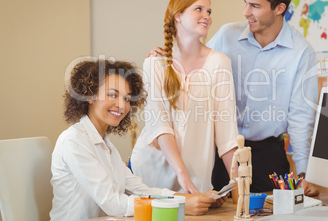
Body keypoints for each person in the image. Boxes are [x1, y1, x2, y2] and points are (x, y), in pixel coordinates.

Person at [149, 0, 319, 196]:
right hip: (218, 153)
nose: (245, 12)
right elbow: (195, 61)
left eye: (255, 6)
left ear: (279, 9)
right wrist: (168, 56)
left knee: (271, 214)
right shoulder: (227, 35)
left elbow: (301, 117)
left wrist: (304, 173)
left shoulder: (301, 52)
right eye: (246, 3)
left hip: (267, 155)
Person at [50, 59, 221, 220]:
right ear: (89, 95)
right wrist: (180, 205)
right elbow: (113, 204)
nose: (122, 105)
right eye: (113, 95)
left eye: (126, 98)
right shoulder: (74, 141)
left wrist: (196, 198)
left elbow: (141, 190)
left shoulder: (106, 146)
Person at [131, 0, 239, 194]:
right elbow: (160, 125)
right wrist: (182, 175)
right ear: (177, 16)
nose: (206, 15)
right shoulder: (155, 63)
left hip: (197, 176)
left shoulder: (219, 62)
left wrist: (239, 188)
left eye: (209, 11)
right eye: (199, 9)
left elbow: (227, 134)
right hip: (152, 171)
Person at [231, 135, 252, 219]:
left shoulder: (237, 152)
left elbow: (232, 168)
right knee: (247, 195)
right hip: (246, 171)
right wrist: (250, 176)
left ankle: (238, 214)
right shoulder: (248, 150)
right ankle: (246, 214)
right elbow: (250, 164)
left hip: (240, 171)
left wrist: (232, 178)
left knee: (241, 195)